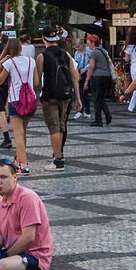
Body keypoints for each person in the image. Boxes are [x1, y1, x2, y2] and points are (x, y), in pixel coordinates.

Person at [0, 155, 54, 270]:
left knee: (0, 268)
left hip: (35, 256)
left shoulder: (27, 198)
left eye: (3, 177)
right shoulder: (1, 204)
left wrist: (5, 255)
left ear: (15, 178)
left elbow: (28, 238)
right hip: (15, 254)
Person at [38, 34, 81, 171]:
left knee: (54, 127)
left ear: (43, 39)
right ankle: (60, 155)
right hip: (66, 95)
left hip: (50, 95)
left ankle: (57, 161)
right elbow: (75, 77)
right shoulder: (66, 54)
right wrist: (78, 98)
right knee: (61, 126)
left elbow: (37, 81)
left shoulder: (42, 56)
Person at [0, 38, 38, 173]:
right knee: (23, 132)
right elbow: (37, 82)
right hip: (30, 100)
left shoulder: (9, 63)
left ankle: (24, 165)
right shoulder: (31, 61)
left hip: (15, 100)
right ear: (20, 48)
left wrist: (0, 63)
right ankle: (20, 159)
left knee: (18, 135)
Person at [84, 30, 117, 128]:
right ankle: (107, 115)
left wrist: (86, 80)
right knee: (100, 97)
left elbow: (91, 67)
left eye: (88, 42)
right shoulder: (104, 51)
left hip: (97, 77)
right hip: (106, 76)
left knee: (96, 98)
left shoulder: (93, 53)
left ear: (93, 43)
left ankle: (98, 120)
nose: (87, 45)